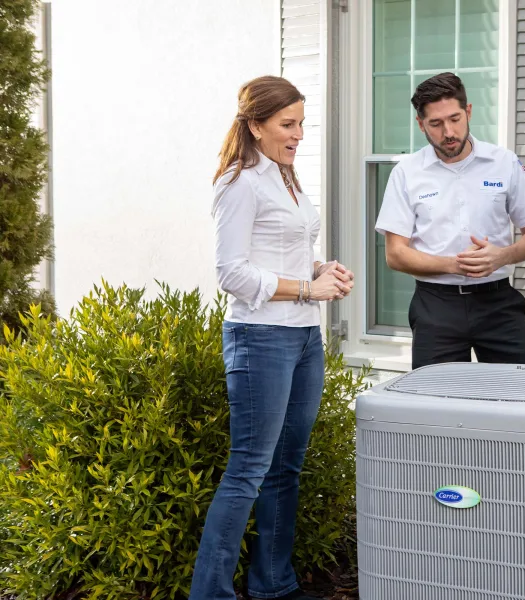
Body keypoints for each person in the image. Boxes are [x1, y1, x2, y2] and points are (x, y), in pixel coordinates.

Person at [189, 76, 353, 600]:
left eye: (302, 122)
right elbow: (231, 273)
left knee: (286, 467)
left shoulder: (287, 178)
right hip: (259, 338)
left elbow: (278, 256)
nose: (299, 133)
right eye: (288, 124)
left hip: (303, 338)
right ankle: (210, 593)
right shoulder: (239, 182)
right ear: (256, 125)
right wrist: (309, 287)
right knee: (249, 471)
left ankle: (273, 586)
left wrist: (322, 268)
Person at [375, 72, 525, 369]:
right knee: (437, 403)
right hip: (436, 306)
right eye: (436, 124)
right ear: (421, 125)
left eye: (455, 119)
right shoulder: (406, 173)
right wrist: (456, 265)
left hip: (498, 303)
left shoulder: (503, 163)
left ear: (468, 112)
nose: (448, 132)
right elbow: (395, 254)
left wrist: (501, 256)